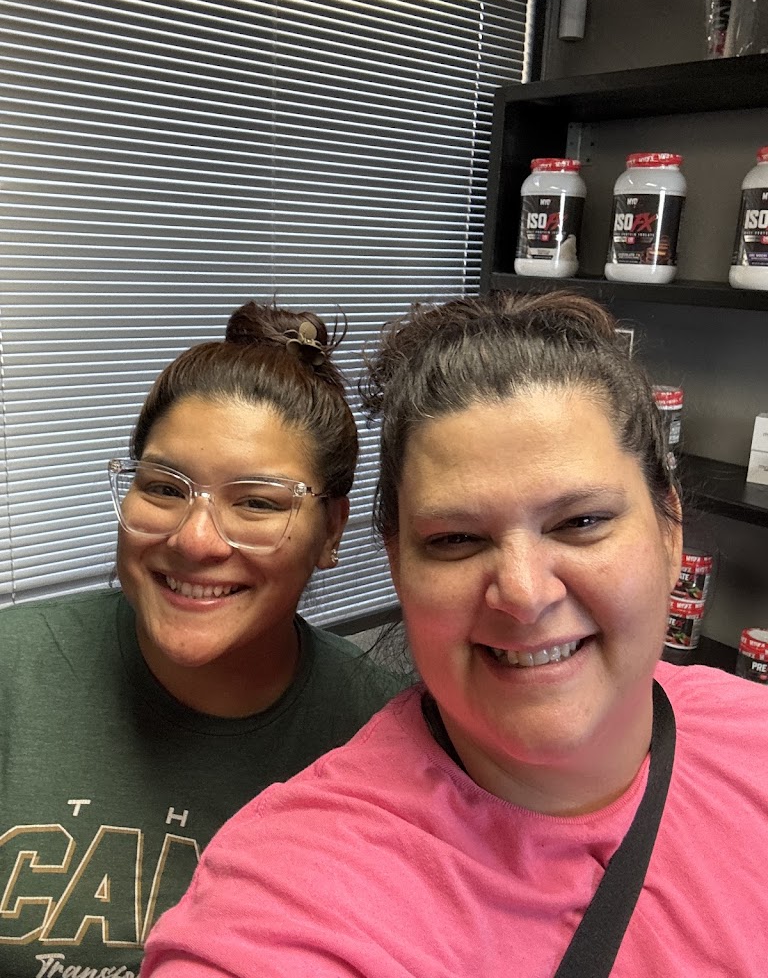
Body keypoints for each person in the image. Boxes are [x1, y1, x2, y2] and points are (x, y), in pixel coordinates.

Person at [141, 290, 768, 978]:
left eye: (580, 523)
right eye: (457, 539)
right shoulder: (297, 895)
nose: (523, 594)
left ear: (669, 532)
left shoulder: (752, 734)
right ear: (397, 566)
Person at [0, 300, 404, 978]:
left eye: (257, 502)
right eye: (164, 488)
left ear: (331, 532)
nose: (194, 540)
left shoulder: (386, 741)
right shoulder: (14, 671)